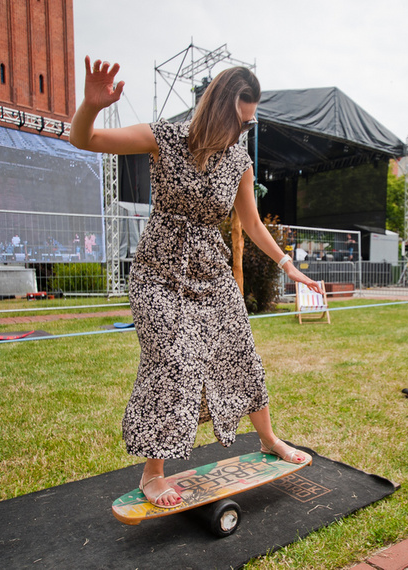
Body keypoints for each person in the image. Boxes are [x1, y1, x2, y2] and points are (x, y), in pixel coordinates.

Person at [70, 57, 323, 508]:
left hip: (212, 274)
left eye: (250, 126)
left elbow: (252, 222)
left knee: (241, 354)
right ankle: (153, 473)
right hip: (158, 275)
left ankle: (268, 439)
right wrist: (90, 105)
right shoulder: (164, 138)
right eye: (240, 122)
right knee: (173, 361)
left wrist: (287, 264)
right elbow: (85, 138)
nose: (243, 132)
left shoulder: (238, 161)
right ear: (220, 108)